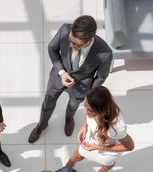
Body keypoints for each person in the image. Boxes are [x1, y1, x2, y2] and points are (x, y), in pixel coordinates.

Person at [28, 15, 112, 143]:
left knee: (73, 106)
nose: (71, 45)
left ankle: (69, 119)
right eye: (70, 40)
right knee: (48, 102)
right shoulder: (65, 30)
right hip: (57, 77)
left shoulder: (105, 53)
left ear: (88, 40)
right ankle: (41, 125)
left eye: (75, 44)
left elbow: (101, 77)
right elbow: (52, 49)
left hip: (82, 87)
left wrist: (89, 94)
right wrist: (61, 72)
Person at [66, 86, 134, 172]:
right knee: (80, 153)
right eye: (85, 106)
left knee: (107, 163)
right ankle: (70, 163)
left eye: (90, 111)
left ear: (101, 111)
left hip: (107, 151)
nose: (86, 112)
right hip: (92, 141)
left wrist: (98, 147)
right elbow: (89, 117)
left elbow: (130, 146)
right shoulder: (91, 106)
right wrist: (84, 127)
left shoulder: (117, 127)